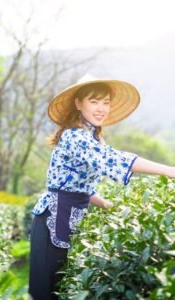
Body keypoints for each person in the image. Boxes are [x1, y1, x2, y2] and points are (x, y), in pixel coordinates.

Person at [28, 77, 175, 300]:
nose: (101, 109)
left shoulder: (93, 138)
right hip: (53, 219)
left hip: (70, 217)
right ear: (79, 103)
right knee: (47, 291)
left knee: (63, 288)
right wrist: (170, 171)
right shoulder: (75, 136)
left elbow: (78, 185)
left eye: (105, 102)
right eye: (94, 102)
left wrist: (105, 203)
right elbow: (114, 159)